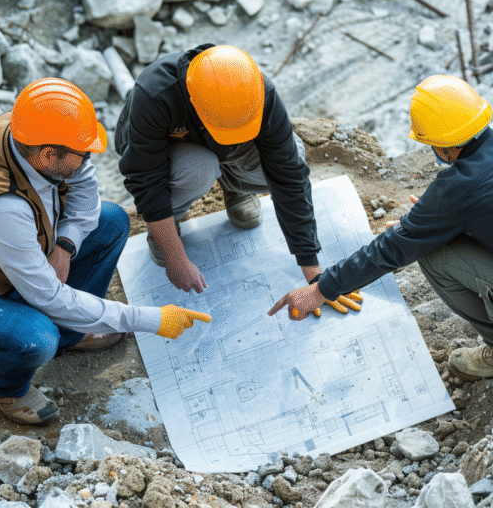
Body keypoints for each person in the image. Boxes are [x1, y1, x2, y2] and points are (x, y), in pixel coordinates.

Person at [270, 74, 493, 381]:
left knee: (433, 254)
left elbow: (390, 250)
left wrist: (320, 290)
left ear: (442, 148)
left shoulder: (459, 188)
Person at [0, 78, 211, 425]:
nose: (89, 159)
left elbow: (86, 192)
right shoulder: (0, 211)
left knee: (110, 222)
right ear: (50, 155)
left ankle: (73, 334)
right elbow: (50, 298)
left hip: (1, 257)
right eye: (83, 153)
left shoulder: (29, 133)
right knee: (37, 337)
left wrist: (64, 246)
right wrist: (150, 319)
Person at [115, 43, 362, 315]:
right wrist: (174, 255)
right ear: (195, 106)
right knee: (200, 166)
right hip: (171, 155)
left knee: (295, 152)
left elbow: (289, 176)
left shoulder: (256, 91)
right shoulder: (155, 95)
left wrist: (315, 276)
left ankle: (236, 187)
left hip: (223, 145)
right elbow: (145, 178)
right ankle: (167, 222)